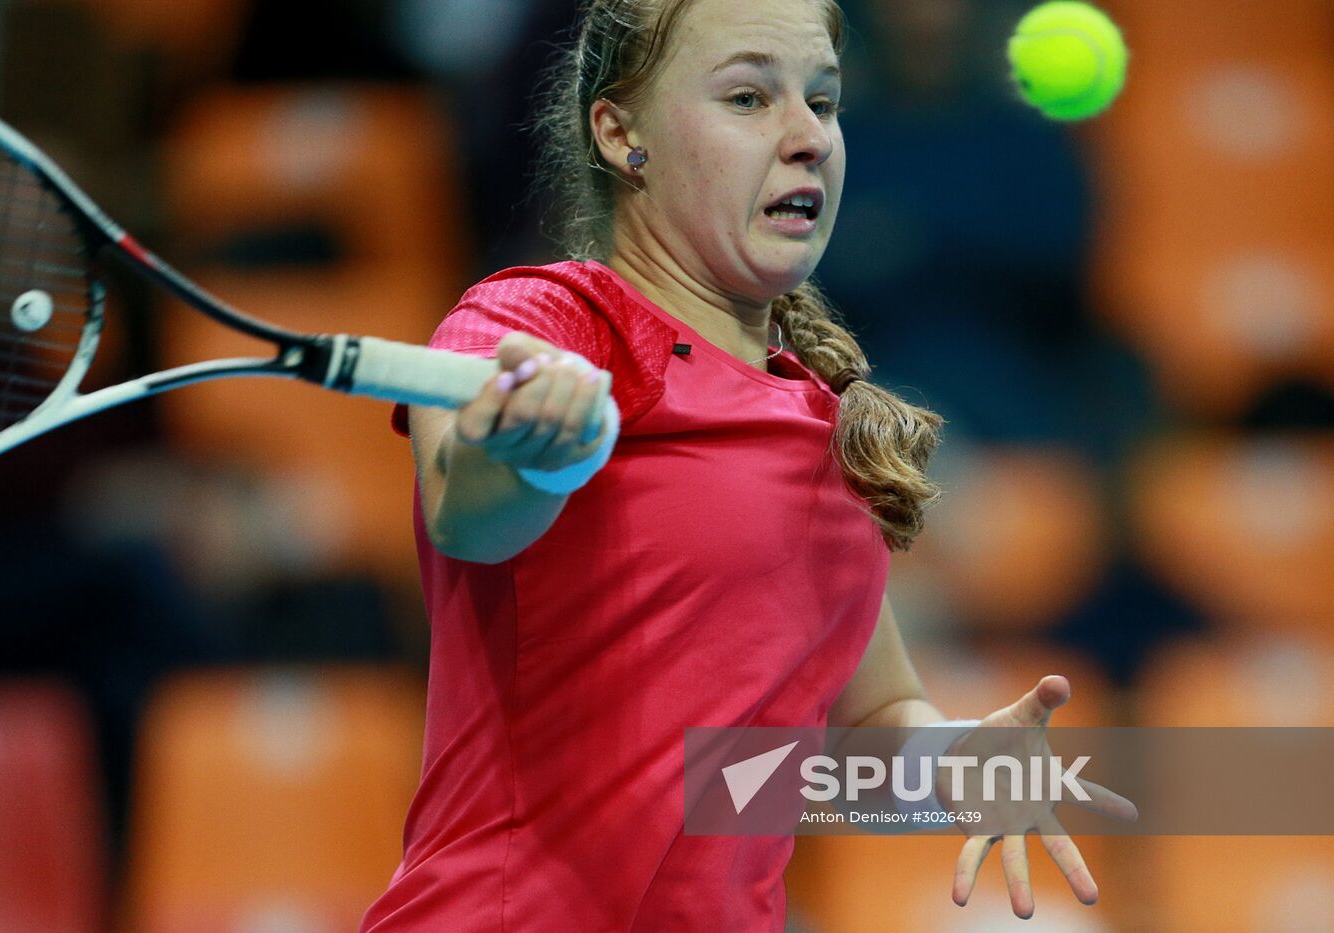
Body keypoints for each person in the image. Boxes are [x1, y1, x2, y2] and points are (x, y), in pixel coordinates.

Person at [361, 1, 1130, 929]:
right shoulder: (550, 320)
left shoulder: (821, 418)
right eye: (748, 98)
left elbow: (869, 731)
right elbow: (472, 519)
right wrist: (532, 455)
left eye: (824, 101)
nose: (809, 137)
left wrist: (965, 763)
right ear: (621, 133)